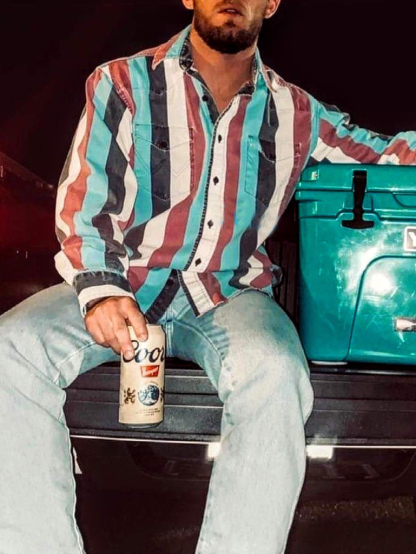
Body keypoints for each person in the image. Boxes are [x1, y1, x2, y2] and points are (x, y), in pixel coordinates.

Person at [1, 0, 416, 553]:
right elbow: (85, 196)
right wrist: (100, 289)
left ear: (271, 4)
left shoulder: (296, 111)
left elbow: (388, 154)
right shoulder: (122, 82)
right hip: (123, 283)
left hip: (229, 294)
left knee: (275, 369)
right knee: (10, 348)